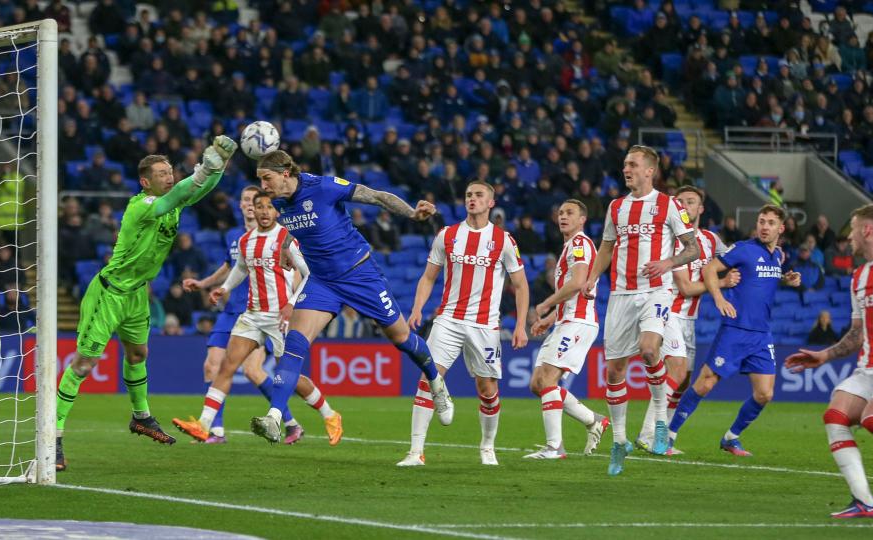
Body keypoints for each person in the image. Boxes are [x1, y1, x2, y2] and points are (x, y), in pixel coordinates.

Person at [54, 136, 237, 471]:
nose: (169, 176)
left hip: (138, 293)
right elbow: (183, 191)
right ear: (145, 181)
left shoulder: (174, 201)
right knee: (85, 363)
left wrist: (220, 163)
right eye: (162, 173)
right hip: (110, 292)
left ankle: (141, 418)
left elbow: (200, 189)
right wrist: (203, 167)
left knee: (138, 355)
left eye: (171, 171)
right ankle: (53, 435)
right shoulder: (141, 206)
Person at [249, 151, 453, 444]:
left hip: (360, 275)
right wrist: (286, 247)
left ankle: (435, 382)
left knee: (402, 338)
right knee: (294, 342)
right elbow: (300, 227)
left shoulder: (324, 186)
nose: (263, 186)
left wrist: (410, 213)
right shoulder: (280, 201)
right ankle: (274, 417)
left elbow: (376, 195)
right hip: (322, 281)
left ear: (284, 173)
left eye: (266, 178)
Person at [173, 193, 341, 446]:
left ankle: (329, 414)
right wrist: (225, 288)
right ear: (253, 210)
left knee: (290, 377)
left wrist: (291, 304)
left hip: (279, 317)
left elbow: (308, 275)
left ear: (276, 212)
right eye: (259, 207)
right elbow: (241, 268)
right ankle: (204, 425)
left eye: (269, 207)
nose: (263, 211)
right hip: (251, 315)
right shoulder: (245, 241)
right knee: (227, 366)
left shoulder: (286, 239)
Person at [583, 145, 700, 475]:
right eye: (624, 164)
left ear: (650, 170)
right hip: (621, 296)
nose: (626, 169)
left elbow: (691, 248)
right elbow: (606, 248)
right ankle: (620, 441)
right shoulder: (616, 208)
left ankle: (660, 420)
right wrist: (591, 278)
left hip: (656, 292)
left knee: (650, 349)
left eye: (633, 164)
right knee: (614, 372)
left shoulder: (670, 205)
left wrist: (668, 262)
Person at [397, 180, 530, 467]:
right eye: (469, 195)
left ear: (490, 202)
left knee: (487, 390)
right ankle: (415, 452)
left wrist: (520, 325)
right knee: (428, 379)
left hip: (484, 326)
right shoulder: (448, 235)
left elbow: (520, 285)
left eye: (479, 195)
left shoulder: (504, 240)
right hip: (449, 320)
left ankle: (487, 447)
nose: (472, 199)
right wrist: (417, 307)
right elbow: (429, 276)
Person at [668, 205, 801, 457]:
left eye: (771, 223)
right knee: (705, 384)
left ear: (780, 229)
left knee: (765, 393)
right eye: (761, 221)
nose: (764, 226)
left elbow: (761, 279)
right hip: (735, 330)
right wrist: (718, 297)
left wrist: (786, 279)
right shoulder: (743, 249)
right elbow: (708, 269)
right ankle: (669, 436)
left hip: (761, 334)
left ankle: (731, 438)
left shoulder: (777, 256)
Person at [785, 204, 873, 518]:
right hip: (868, 367)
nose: (848, 238)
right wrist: (825, 355)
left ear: (867, 230)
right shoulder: (859, 276)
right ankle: (864, 502)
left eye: (853, 229)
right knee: (836, 417)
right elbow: (857, 333)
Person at [635, 186, 739, 453]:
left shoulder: (710, 240)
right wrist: (722, 283)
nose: (683, 206)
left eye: (690, 202)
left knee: (682, 380)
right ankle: (648, 434)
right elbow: (685, 288)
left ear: (701, 209)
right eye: (679, 202)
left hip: (689, 320)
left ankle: (664, 440)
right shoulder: (673, 241)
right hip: (668, 312)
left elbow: (735, 258)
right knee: (677, 372)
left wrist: (778, 266)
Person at [177, 186, 263, 443]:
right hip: (230, 310)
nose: (248, 204)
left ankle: (290, 422)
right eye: (245, 199)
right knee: (211, 366)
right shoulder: (234, 236)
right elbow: (228, 267)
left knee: (253, 372)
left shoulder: (271, 235)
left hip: (256, 312)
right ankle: (215, 431)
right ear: (239, 205)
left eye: (253, 200)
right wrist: (204, 284)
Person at [523, 200, 608, 459]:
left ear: (582, 219)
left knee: (547, 380)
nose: (563, 216)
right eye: (560, 212)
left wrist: (546, 304)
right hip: (566, 321)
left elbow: (580, 282)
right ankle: (593, 420)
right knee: (538, 383)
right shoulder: (569, 247)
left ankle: (554, 447)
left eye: (570, 213)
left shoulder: (580, 244)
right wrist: (548, 319)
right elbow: (573, 294)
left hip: (578, 323)